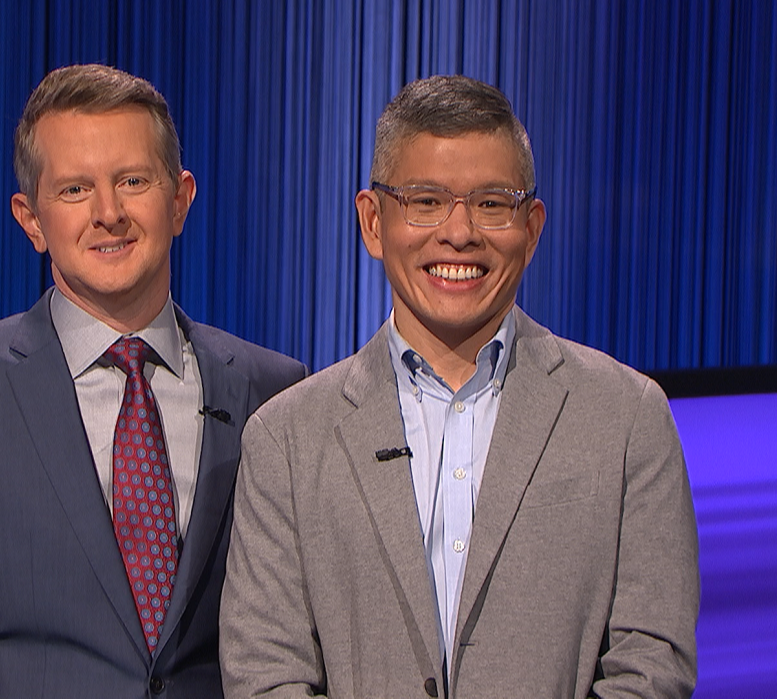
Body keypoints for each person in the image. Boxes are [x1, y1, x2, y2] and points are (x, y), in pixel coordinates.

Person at [0, 64, 307, 698]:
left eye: (132, 181)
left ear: (179, 200)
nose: (108, 213)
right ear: (31, 219)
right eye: (74, 190)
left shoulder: (274, 389)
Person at [220, 75, 699, 698]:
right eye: (426, 201)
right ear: (372, 222)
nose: (460, 232)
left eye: (492, 203)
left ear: (532, 227)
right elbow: (266, 674)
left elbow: (651, 665)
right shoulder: (285, 439)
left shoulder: (627, 418)